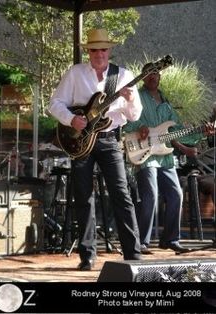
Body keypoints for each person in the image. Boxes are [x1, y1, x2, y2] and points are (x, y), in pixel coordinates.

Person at [48, 28, 143, 270]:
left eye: (103, 49)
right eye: (94, 49)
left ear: (109, 51)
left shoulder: (123, 76)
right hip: (81, 141)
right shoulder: (75, 73)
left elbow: (133, 116)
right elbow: (55, 103)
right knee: (83, 196)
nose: (99, 53)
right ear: (88, 52)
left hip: (110, 140)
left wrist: (131, 99)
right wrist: (72, 120)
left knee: (121, 195)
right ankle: (87, 256)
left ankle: (133, 254)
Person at [124, 62, 215, 255]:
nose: (152, 76)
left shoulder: (166, 104)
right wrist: (139, 127)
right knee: (149, 196)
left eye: (155, 73)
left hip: (165, 157)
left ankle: (170, 240)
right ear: (142, 77)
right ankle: (141, 242)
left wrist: (202, 133)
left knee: (176, 195)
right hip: (144, 153)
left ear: (160, 77)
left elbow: (178, 131)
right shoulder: (137, 97)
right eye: (148, 73)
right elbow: (126, 122)